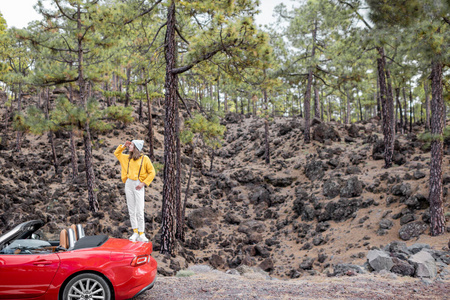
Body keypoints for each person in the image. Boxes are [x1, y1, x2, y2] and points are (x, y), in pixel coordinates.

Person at [114, 140, 155, 242]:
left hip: (139, 184)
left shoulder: (144, 159)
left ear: (136, 147)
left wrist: (143, 183)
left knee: (139, 211)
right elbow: (117, 153)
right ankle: (135, 232)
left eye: (131, 145)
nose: (129, 146)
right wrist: (123, 145)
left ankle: (142, 233)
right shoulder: (126, 158)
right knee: (131, 210)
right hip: (129, 184)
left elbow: (152, 172)